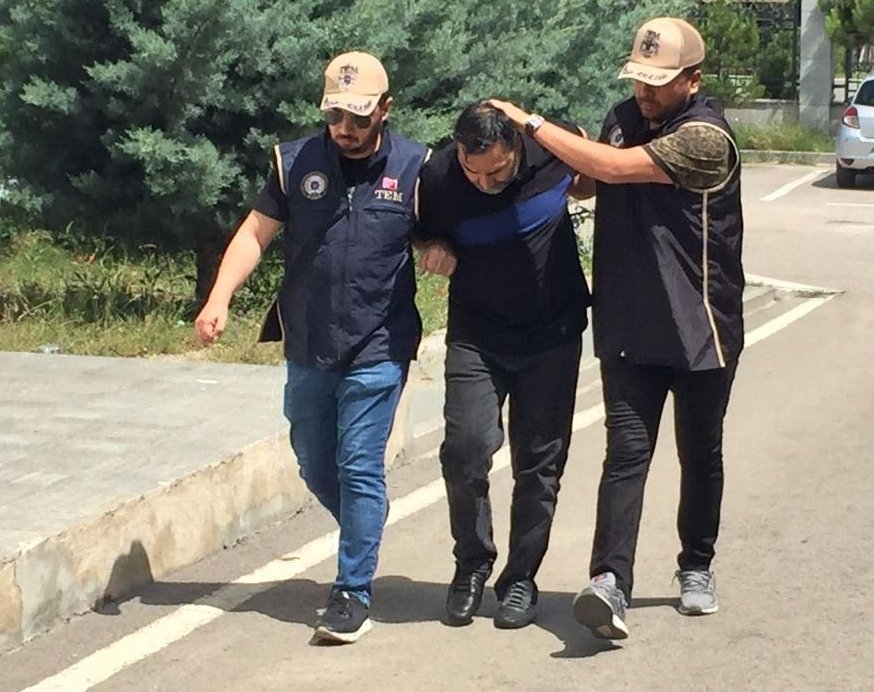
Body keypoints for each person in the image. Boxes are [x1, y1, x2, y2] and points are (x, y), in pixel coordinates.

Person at [490, 15, 744, 639]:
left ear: (693, 79)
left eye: (659, 81)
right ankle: (609, 582)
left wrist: (534, 124)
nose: (644, 92)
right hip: (629, 319)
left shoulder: (706, 136)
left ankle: (696, 564)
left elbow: (619, 168)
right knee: (626, 455)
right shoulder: (622, 117)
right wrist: (559, 164)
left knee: (699, 453)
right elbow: (593, 181)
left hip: (701, 325)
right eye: (638, 79)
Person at [195, 51, 453, 644]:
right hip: (309, 340)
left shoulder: (416, 167)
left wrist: (440, 251)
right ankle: (366, 523)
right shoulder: (294, 163)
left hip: (379, 341)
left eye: (358, 117)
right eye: (335, 115)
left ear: (385, 110)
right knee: (314, 460)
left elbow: (439, 236)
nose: (345, 128)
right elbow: (255, 233)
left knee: (359, 465)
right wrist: (218, 298)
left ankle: (351, 591)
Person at [416, 101, 593, 629]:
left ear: (517, 146)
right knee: (465, 449)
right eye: (474, 171)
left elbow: (593, 171)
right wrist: (433, 246)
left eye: (496, 171)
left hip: (552, 333)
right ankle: (472, 562)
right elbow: (421, 230)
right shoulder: (440, 177)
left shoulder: (552, 145)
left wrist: (585, 181)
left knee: (540, 463)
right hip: (478, 336)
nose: (484, 182)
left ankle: (520, 578)